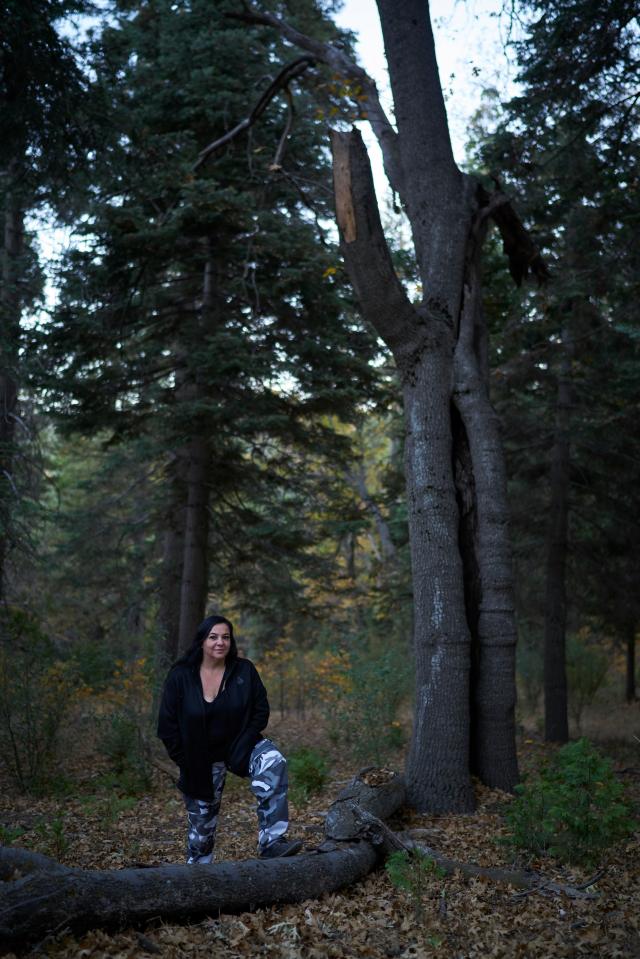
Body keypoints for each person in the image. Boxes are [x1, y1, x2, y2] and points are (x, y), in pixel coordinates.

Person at [157, 613, 302, 863]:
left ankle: (272, 842)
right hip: (199, 759)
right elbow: (166, 726)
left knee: (273, 761)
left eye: (225, 637)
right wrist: (185, 759)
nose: (220, 642)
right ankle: (199, 880)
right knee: (201, 836)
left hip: (241, 747)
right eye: (213, 637)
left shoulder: (243, 670)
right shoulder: (181, 675)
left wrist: (245, 741)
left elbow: (260, 710)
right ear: (202, 640)